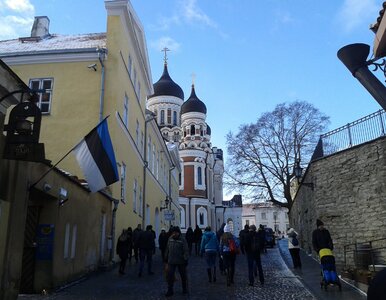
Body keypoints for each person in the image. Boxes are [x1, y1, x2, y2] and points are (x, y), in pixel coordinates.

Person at [164, 226, 189, 297]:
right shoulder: (170, 239)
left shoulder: (182, 240)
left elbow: (186, 250)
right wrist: (166, 258)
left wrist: (186, 258)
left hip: (181, 261)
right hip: (171, 261)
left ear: (178, 232)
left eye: (175, 232)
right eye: (173, 232)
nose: (174, 234)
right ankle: (170, 290)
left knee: (183, 276)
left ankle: (184, 288)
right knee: (170, 276)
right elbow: (167, 248)